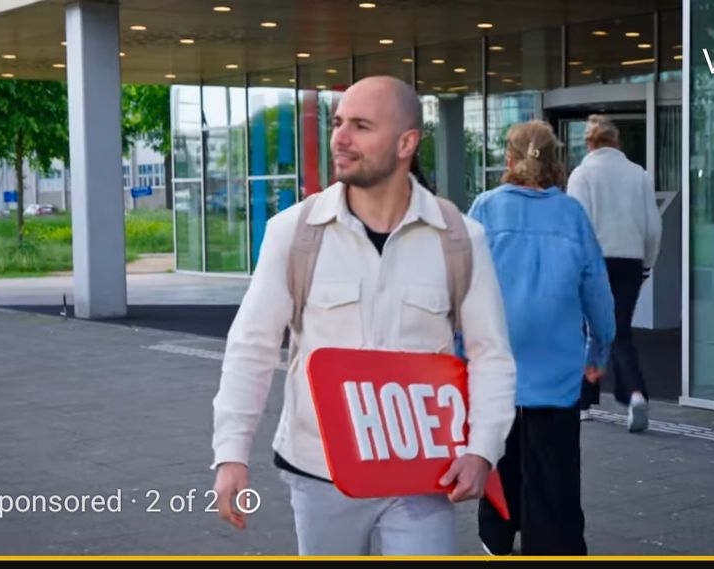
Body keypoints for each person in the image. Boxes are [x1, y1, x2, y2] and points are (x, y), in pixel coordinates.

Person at [209, 76, 517, 556]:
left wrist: (482, 449)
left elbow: (491, 356)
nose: (340, 137)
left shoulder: (459, 238)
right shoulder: (295, 233)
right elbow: (251, 346)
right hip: (320, 473)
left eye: (361, 125)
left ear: (406, 143)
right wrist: (230, 455)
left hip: (422, 474)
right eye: (337, 123)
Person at [468, 120, 615, 556]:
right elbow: (598, 292)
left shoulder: (485, 208)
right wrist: (599, 349)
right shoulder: (571, 214)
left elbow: (460, 285)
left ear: (509, 160)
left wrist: (458, 351)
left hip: (496, 369)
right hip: (557, 372)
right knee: (554, 472)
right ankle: (551, 545)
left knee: (499, 460)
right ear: (556, 162)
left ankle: (496, 539)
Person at [566, 114, 662, 433]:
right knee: (619, 329)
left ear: (589, 142)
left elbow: (577, 228)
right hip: (630, 261)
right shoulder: (639, 175)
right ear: (616, 141)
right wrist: (647, 263)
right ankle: (624, 395)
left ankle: (586, 401)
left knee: (586, 330)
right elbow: (653, 228)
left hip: (594, 262)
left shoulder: (582, 174)